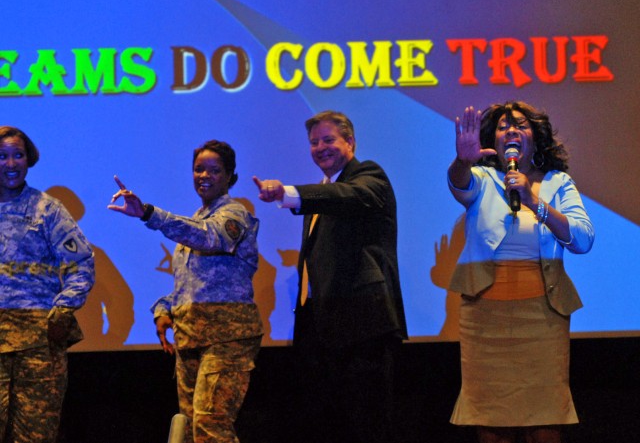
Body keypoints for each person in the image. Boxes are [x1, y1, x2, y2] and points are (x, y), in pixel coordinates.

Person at [253, 110, 407, 443]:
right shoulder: (324, 190)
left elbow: (348, 197)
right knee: (329, 426)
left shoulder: (368, 176)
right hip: (322, 330)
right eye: (313, 142)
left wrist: (288, 194)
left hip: (363, 324)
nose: (320, 147)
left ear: (350, 141)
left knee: (368, 424)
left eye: (328, 140)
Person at [447, 102, 595, 443]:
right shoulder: (483, 178)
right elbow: (459, 183)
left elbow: (583, 240)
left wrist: (533, 200)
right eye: (502, 127)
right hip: (485, 320)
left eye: (521, 125)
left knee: (544, 423)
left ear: (536, 137)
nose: (511, 130)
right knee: (490, 422)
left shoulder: (559, 182)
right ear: (492, 141)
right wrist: (462, 161)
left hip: (542, 318)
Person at [108, 140, 262, 443]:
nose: (204, 176)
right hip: (190, 338)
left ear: (230, 176)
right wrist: (164, 310)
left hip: (226, 338)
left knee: (211, 425)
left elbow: (210, 238)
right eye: (198, 169)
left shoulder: (234, 215)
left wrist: (149, 214)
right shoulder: (197, 218)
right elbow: (188, 287)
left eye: (214, 170)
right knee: (192, 430)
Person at [0, 126, 95, 443]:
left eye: (18, 155)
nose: (11, 164)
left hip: (38, 340)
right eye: (2, 156)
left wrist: (65, 307)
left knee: (35, 435)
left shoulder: (48, 210)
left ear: (29, 160)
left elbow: (81, 263)